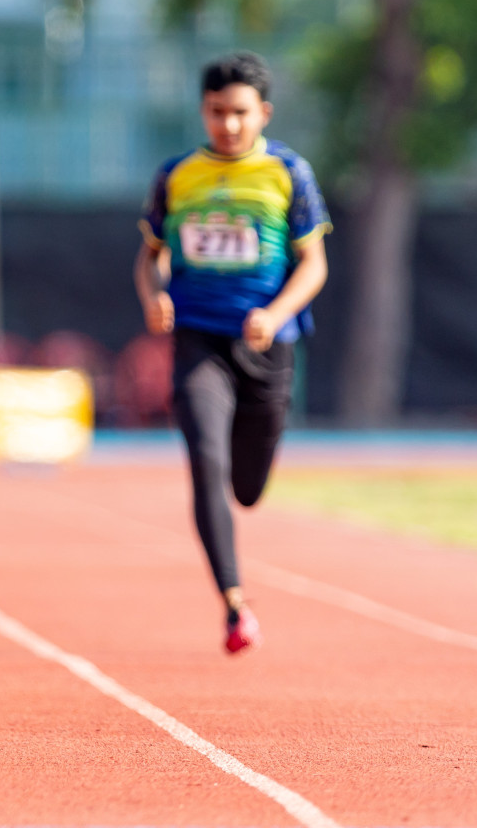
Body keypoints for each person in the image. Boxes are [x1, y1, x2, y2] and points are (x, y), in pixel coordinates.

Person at [134, 51, 330, 656]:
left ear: (263, 112)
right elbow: (150, 256)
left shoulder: (287, 173)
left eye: (241, 113)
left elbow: (314, 265)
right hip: (198, 339)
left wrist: (274, 314)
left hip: (267, 345)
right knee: (206, 461)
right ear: (203, 111)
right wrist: (153, 294)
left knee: (246, 487)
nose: (230, 125)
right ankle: (234, 604)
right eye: (218, 113)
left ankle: (245, 507)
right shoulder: (177, 175)